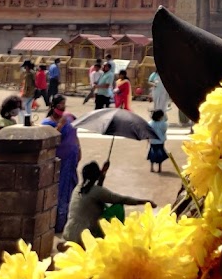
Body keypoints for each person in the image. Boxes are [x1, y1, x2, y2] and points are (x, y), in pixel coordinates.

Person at [62, 161, 156, 245]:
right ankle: (103, 238)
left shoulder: (78, 188)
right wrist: (145, 202)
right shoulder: (96, 191)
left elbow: (97, 193)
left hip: (69, 231)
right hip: (83, 234)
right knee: (118, 206)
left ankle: (70, 245)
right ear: (96, 176)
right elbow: (120, 199)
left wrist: (102, 174)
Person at [41, 94, 81, 233]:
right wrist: (60, 125)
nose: (62, 108)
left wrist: (79, 149)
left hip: (72, 160)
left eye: (64, 105)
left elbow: (75, 134)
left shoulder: (69, 117)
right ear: (54, 107)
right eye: (60, 106)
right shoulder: (47, 123)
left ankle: (71, 221)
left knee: (72, 189)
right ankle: (59, 223)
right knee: (61, 192)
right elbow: (50, 139)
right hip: (60, 163)